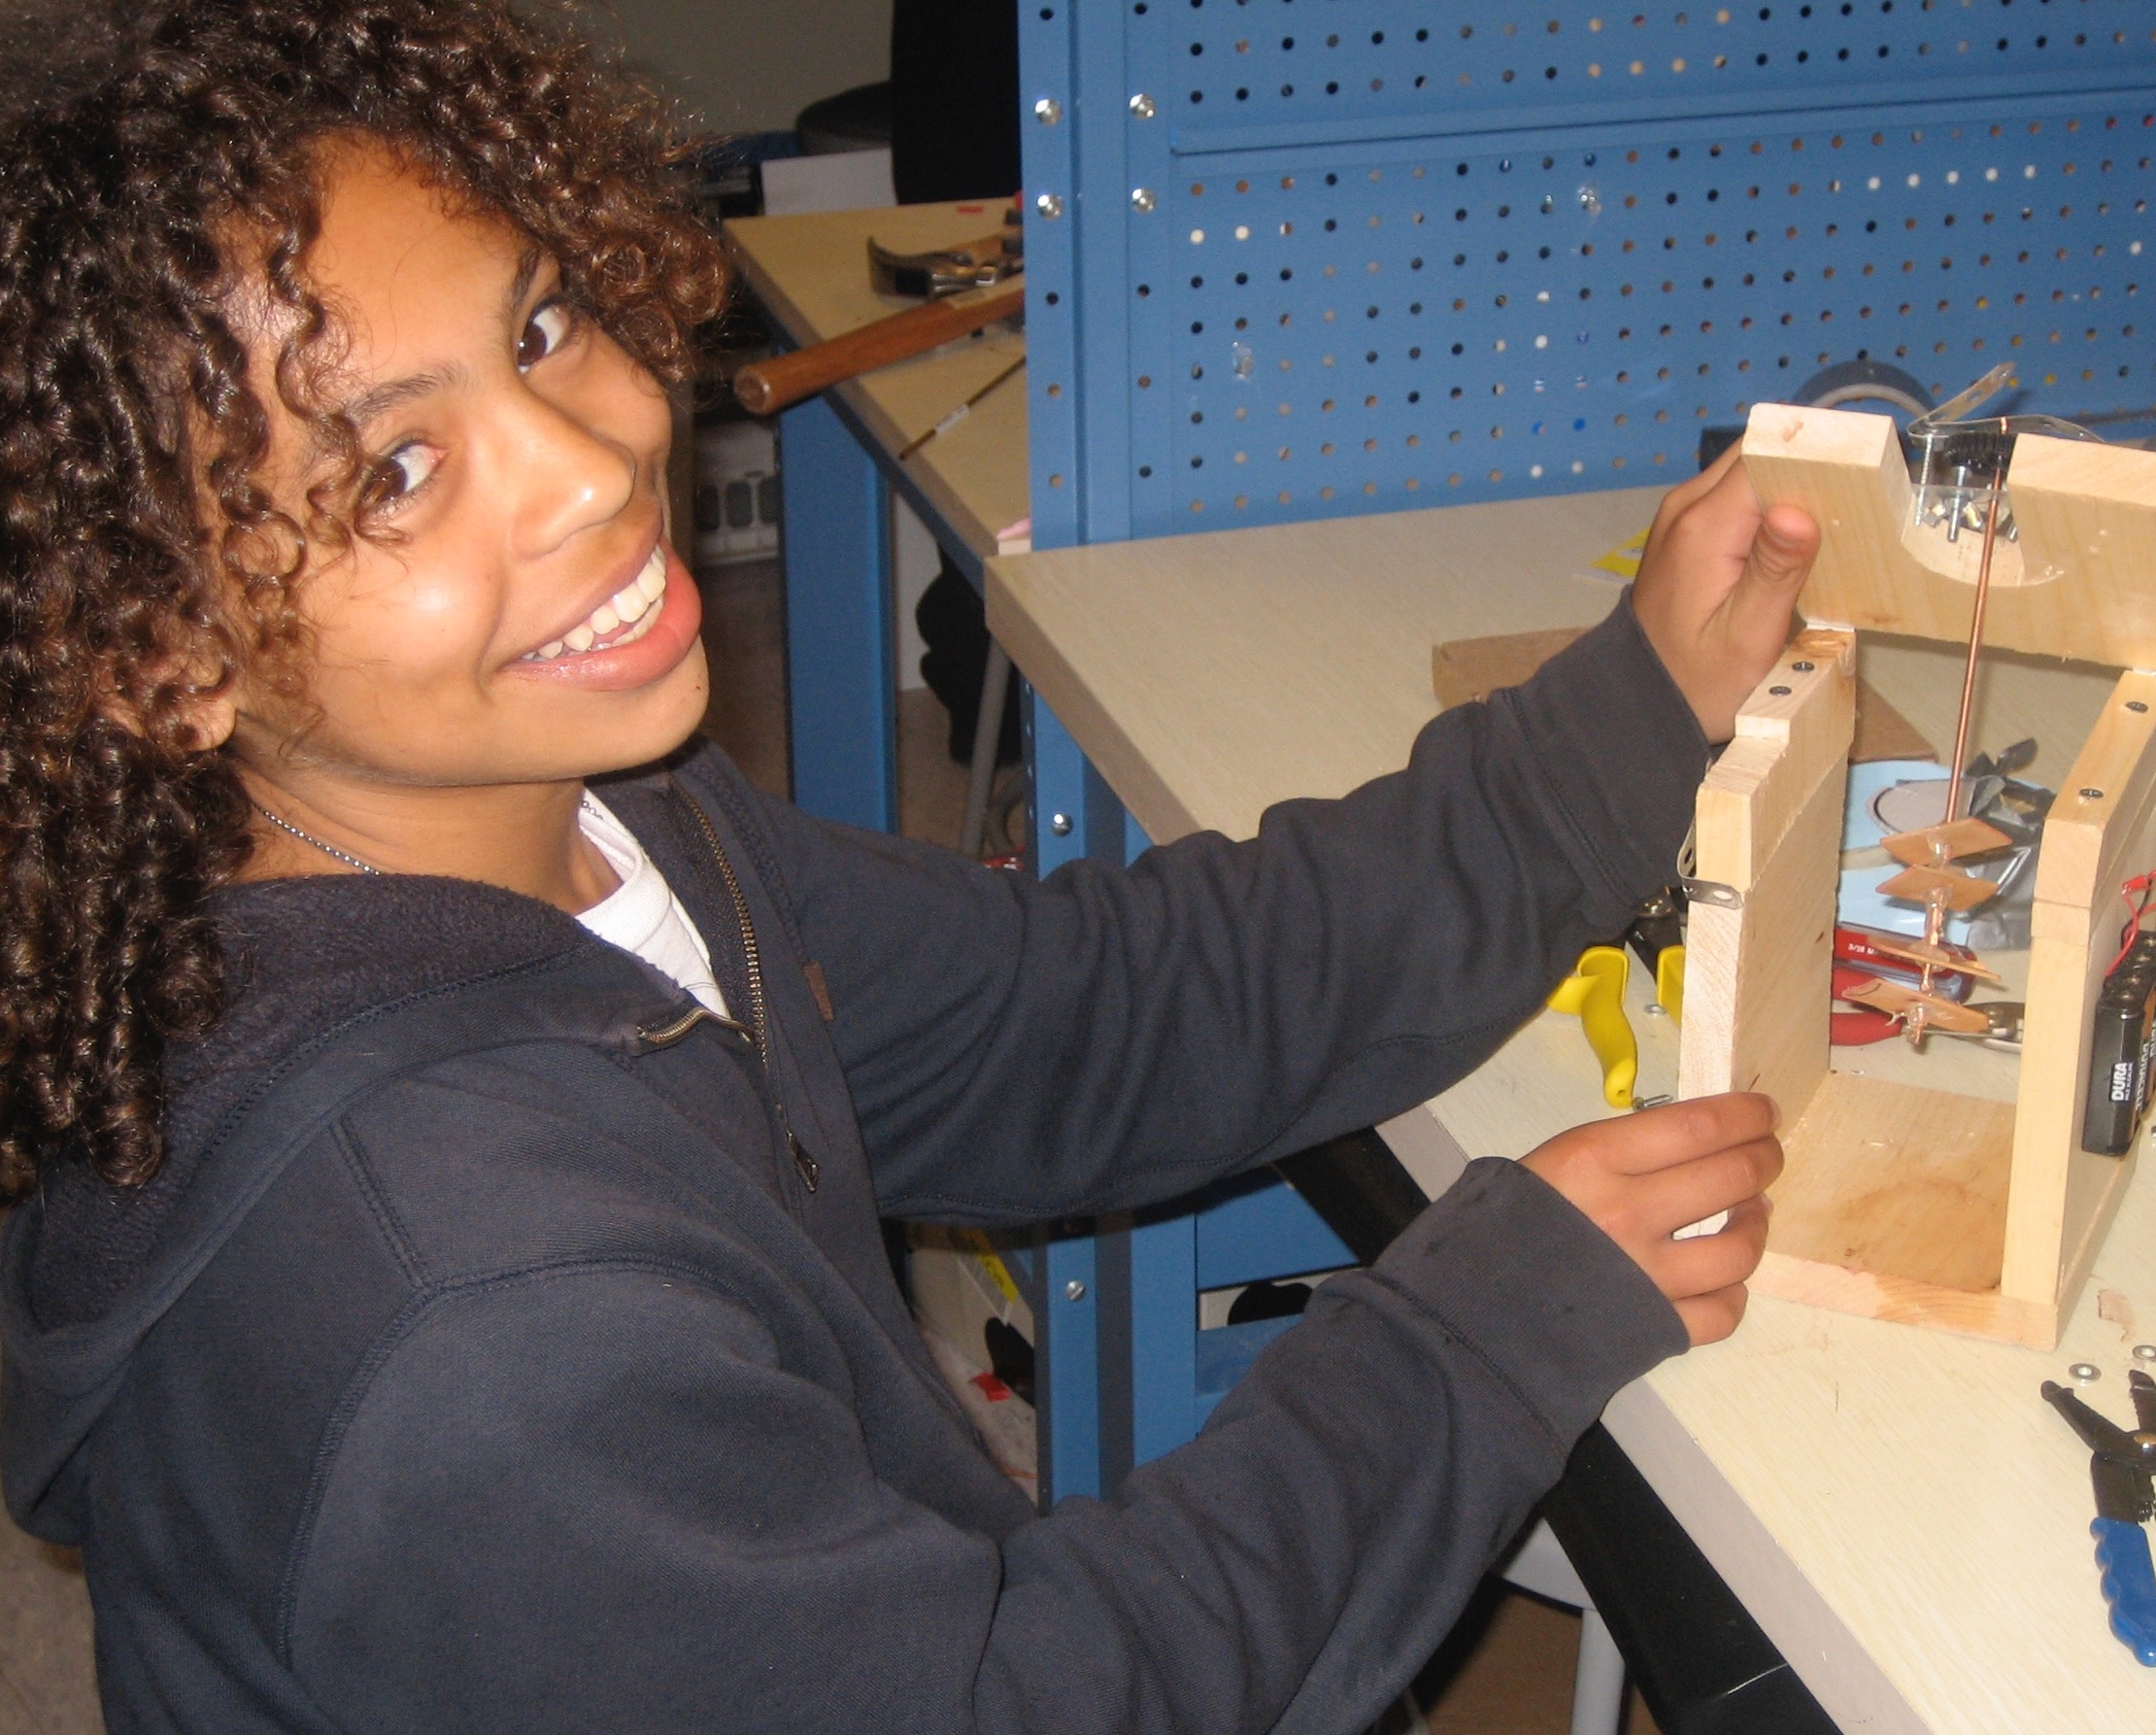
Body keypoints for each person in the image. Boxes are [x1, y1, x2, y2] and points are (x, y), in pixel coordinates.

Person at [0, 4, 1817, 1730]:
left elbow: (1087, 1015)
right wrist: (1477, 1333)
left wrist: (1630, 713)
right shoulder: (472, 1317)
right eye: (397, 468)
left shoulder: (598, 824)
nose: (586, 466)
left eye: (539, 326)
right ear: (162, 659)